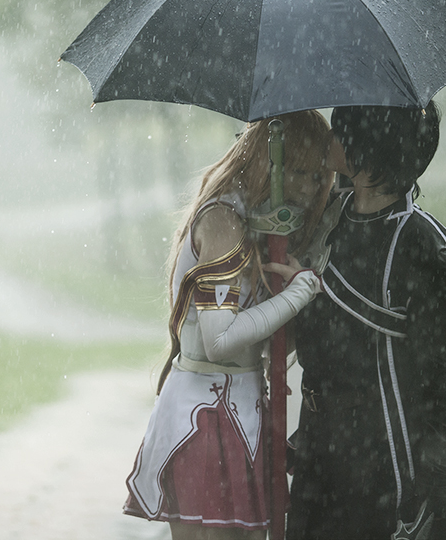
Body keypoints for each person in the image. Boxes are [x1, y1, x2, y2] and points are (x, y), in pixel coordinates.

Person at [123, 109, 335, 539]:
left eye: (318, 176)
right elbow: (219, 341)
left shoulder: (263, 223)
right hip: (204, 417)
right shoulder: (224, 220)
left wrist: (303, 288)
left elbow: (268, 343)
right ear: (268, 162)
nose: (312, 189)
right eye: (299, 172)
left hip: (241, 412)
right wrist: (299, 293)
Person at [287, 102, 446, 540]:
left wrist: (440, 468)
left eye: (339, 131)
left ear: (366, 149)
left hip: (381, 457)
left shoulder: (421, 244)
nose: (329, 140)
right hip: (318, 445)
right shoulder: (327, 217)